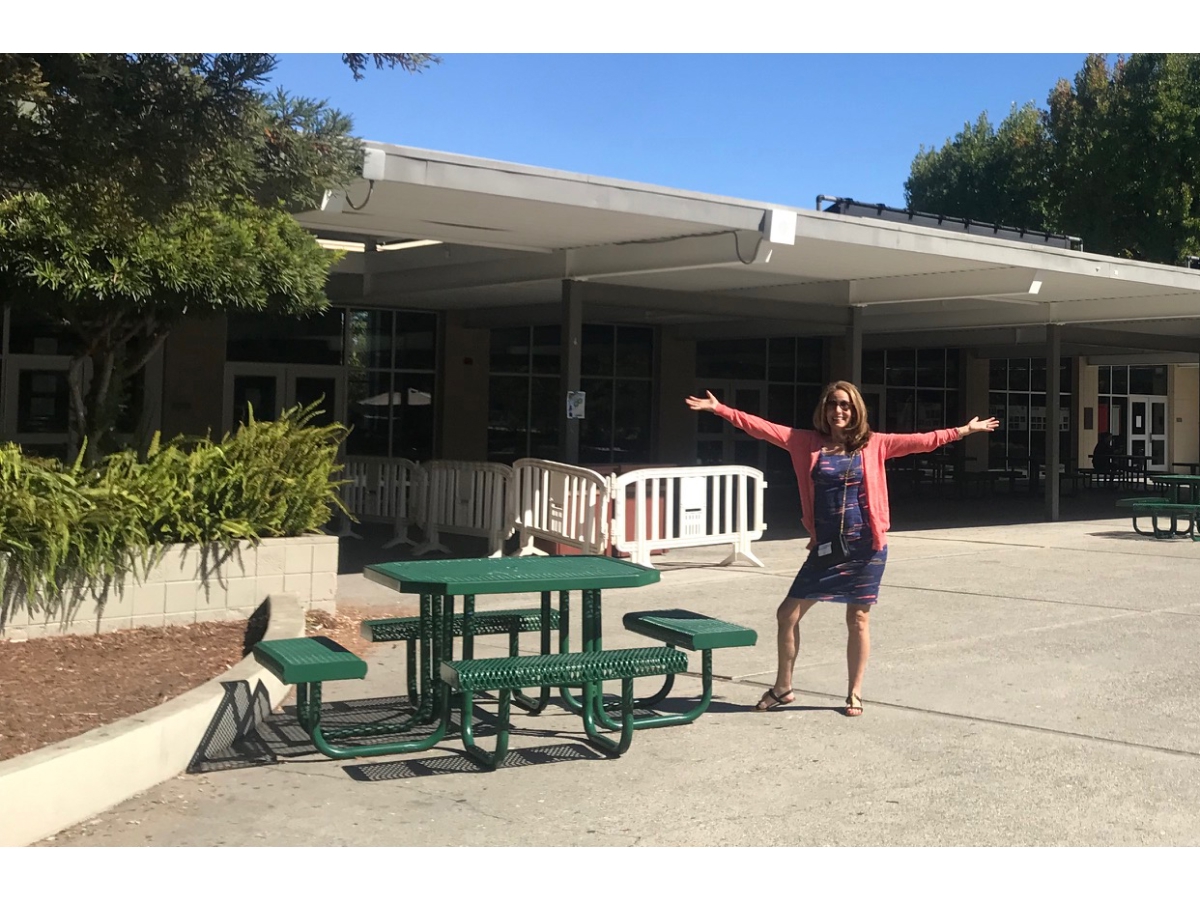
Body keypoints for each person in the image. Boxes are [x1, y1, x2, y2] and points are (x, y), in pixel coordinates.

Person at [685, 381, 999, 717]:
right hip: (827, 549)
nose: (838, 410)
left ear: (856, 410)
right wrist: (721, 409)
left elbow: (922, 441)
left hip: (866, 547)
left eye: (845, 405)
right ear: (824, 409)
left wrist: (963, 431)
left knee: (858, 619)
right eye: (833, 404)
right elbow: (762, 428)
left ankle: (854, 692)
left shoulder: (874, 444)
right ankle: (783, 687)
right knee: (787, 614)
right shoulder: (805, 442)